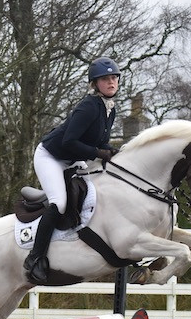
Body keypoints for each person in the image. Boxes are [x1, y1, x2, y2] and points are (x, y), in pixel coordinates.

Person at [24, 56, 121, 284]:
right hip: (51, 157)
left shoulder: (109, 109)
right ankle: (35, 257)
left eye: (114, 78)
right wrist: (99, 153)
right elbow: (69, 141)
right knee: (59, 203)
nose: (111, 82)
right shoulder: (88, 106)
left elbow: (99, 141)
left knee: (98, 192)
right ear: (95, 84)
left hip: (73, 159)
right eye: (105, 79)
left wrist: (116, 152)